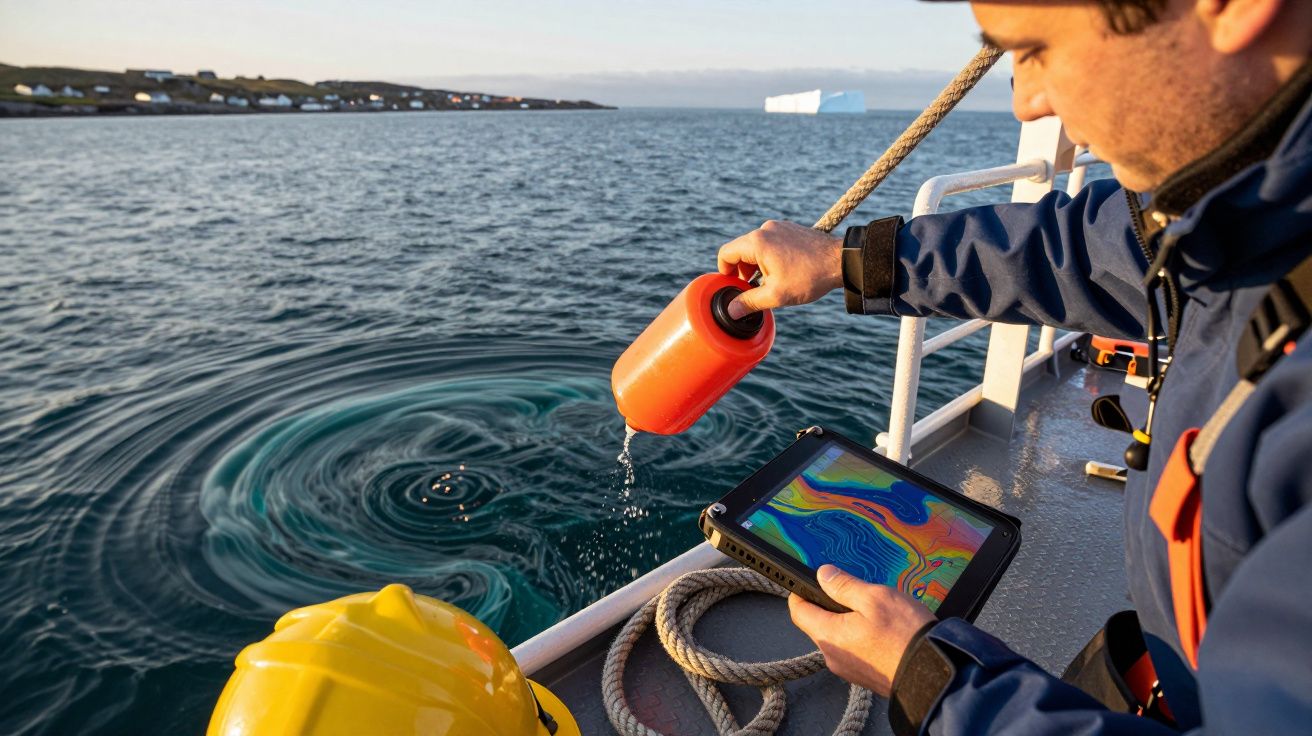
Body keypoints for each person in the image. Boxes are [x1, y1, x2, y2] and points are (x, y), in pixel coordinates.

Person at [716, 1, 1312, 733]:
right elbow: (1084, 250)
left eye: (1033, 50)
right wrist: (845, 261)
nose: (1027, 103)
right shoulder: (1236, 215)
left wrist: (935, 686)